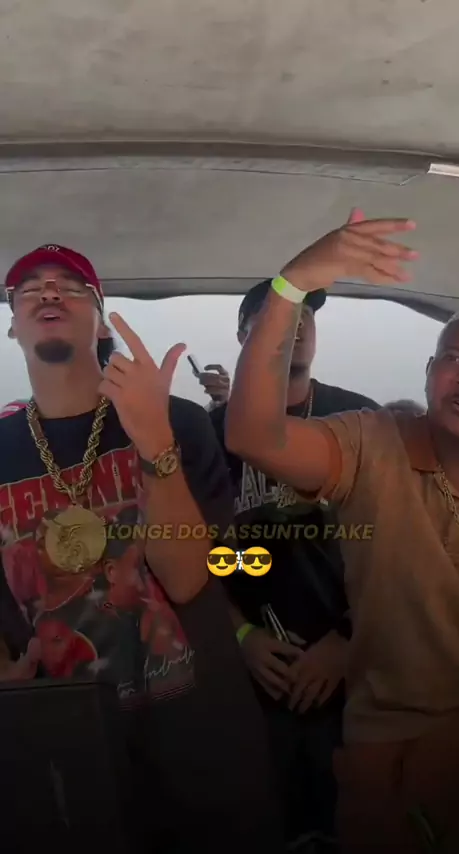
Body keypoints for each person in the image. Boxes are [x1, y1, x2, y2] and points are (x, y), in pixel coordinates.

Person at [0, 244, 284, 853]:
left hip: (201, 735)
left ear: (101, 321)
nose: (49, 292)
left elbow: (188, 578)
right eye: (29, 289)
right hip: (67, 745)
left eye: (71, 286)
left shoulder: (176, 420)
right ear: (12, 325)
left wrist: (154, 442)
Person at [226, 209, 459, 852]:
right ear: (428, 370)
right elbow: (249, 442)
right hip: (376, 747)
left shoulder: (350, 408)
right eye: (454, 358)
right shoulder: (374, 440)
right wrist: (292, 283)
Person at [210, 279, 378, 844]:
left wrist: (348, 638)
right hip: (253, 681)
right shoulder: (209, 433)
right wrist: (240, 636)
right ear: (244, 337)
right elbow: (192, 552)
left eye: (307, 313)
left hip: (356, 676)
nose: (298, 322)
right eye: (277, 314)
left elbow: (400, 547)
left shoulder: (360, 418)